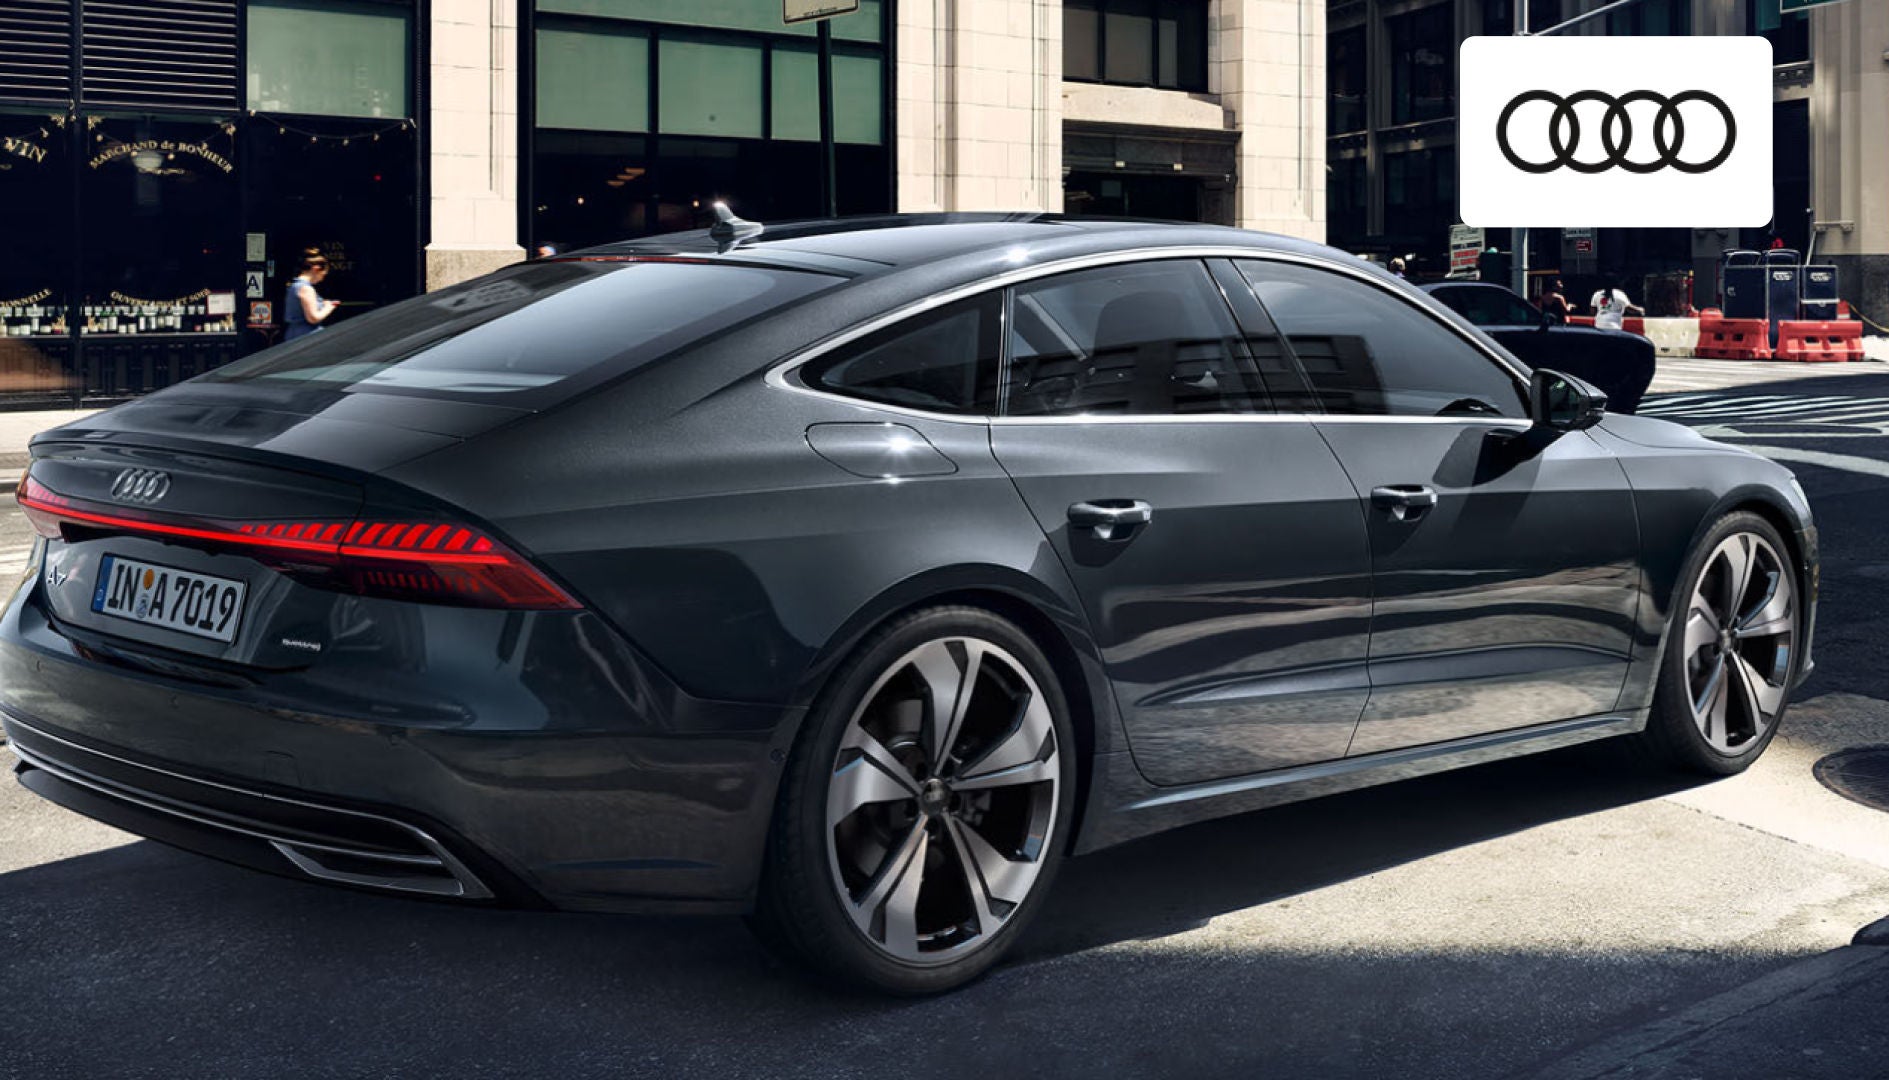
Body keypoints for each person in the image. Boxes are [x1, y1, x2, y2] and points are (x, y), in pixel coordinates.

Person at [284, 250, 337, 341]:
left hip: (294, 333)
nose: (321, 279)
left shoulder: (294, 286)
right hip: (307, 336)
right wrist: (329, 307)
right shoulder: (306, 289)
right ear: (316, 269)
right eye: (323, 275)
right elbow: (313, 318)